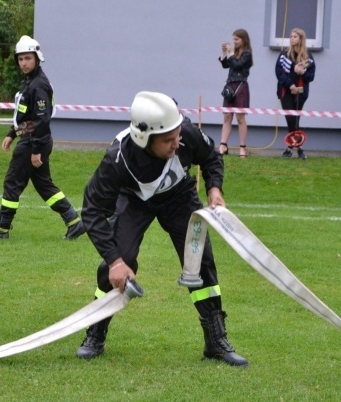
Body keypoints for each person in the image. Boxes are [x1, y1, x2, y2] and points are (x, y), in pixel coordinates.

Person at [75, 91, 248, 367]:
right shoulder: (117, 159)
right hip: (134, 201)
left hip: (180, 198)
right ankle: (96, 332)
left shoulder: (185, 134)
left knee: (200, 260)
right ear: (144, 138)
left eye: (177, 135)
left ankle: (215, 342)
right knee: (119, 259)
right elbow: (92, 210)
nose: (176, 143)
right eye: (168, 140)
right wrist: (115, 262)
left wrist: (214, 188)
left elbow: (211, 157)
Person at [0, 36, 85, 241]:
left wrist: (35, 150)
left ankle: (2, 228)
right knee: (44, 186)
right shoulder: (30, 82)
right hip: (34, 140)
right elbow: (26, 116)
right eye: (20, 59)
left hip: (33, 142)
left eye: (27, 58)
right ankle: (74, 222)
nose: (24, 63)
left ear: (36, 58)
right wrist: (11, 133)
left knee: (12, 182)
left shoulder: (38, 85)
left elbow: (41, 121)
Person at [275, 28, 316, 160]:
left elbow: (311, 76)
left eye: (295, 37)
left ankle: (290, 148)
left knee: (296, 119)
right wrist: (290, 85)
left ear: (301, 39)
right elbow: (278, 73)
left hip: (300, 93)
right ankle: (299, 148)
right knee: (290, 118)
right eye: (291, 36)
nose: (292, 38)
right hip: (286, 91)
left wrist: (303, 72)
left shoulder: (308, 57)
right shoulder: (284, 55)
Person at [218, 29, 253, 158]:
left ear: (243, 39)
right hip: (230, 85)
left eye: (237, 39)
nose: (234, 42)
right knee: (227, 116)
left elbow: (238, 65)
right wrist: (223, 52)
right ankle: (223, 145)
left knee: (240, 118)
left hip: (241, 86)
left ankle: (242, 148)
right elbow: (226, 65)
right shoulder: (235, 52)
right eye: (233, 39)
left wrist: (231, 53)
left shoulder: (247, 54)